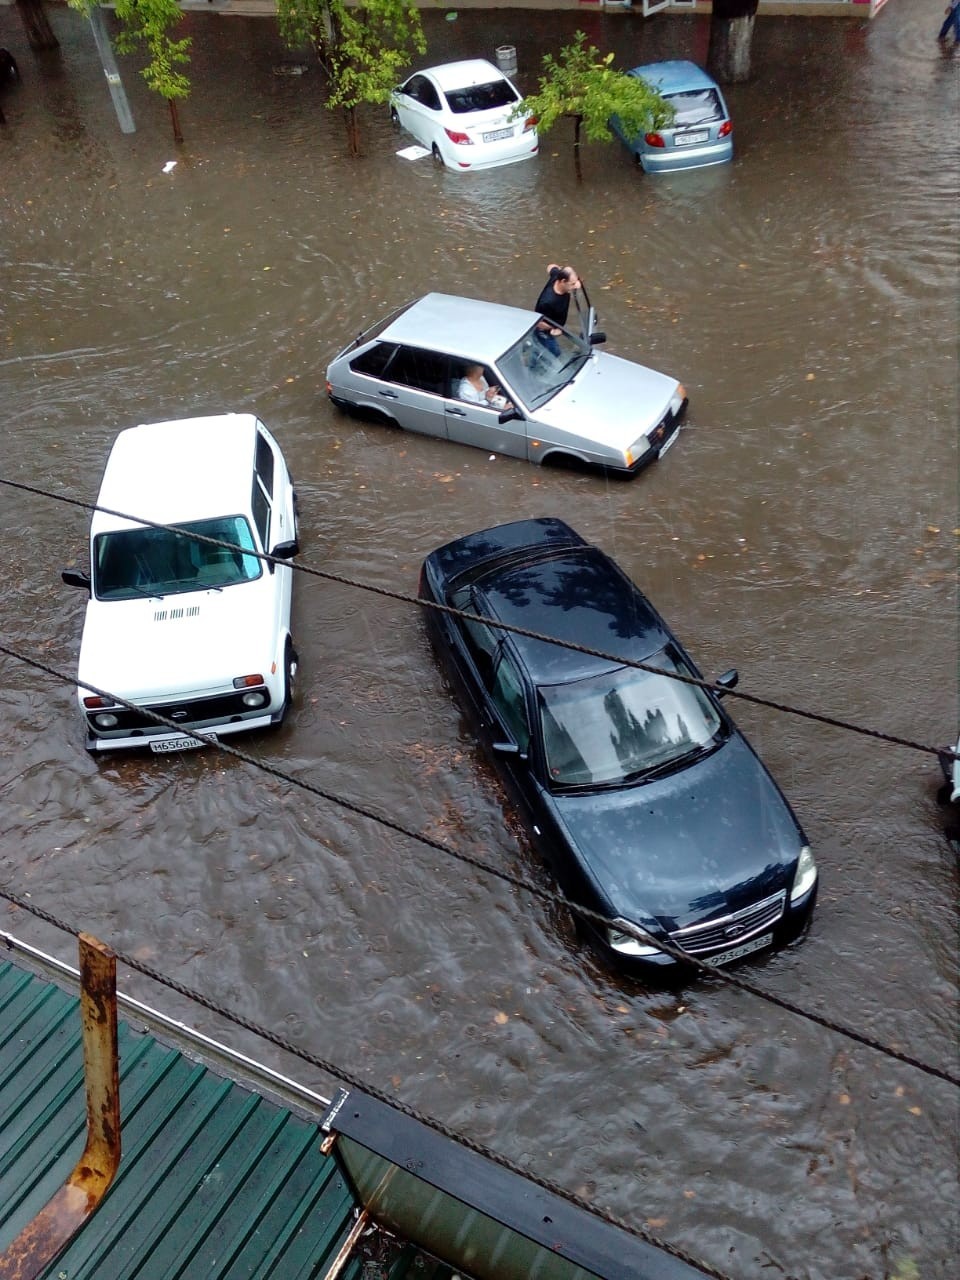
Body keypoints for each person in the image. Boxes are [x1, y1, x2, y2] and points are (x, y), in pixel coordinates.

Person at [534, 264, 581, 356]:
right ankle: (532, 364)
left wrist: (559, 269)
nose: (576, 286)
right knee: (555, 353)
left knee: (540, 349)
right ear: (563, 281)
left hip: (554, 322)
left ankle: (533, 346)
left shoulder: (557, 275)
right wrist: (555, 328)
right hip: (544, 332)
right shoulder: (547, 302)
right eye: (573, 284)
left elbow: (550, 266)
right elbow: (538, 323)